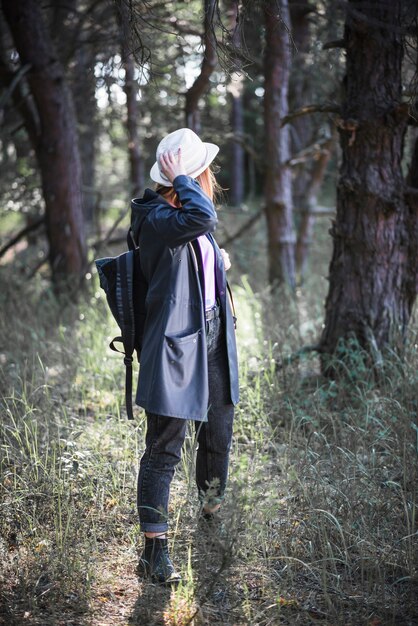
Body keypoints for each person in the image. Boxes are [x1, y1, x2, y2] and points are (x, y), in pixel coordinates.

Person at [129, 128, 239, 584]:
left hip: (211, 335)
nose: (205, 182)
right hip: (177, 345)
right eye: (199, 176)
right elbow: (200, 220)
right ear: (189, 178)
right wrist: (187, 183)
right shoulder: (156, 217)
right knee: (164, 449)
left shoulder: (181, 214)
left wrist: (216, 263)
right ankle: (154, 551)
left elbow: (196, 242)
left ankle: (210, 506)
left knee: (219, 426)